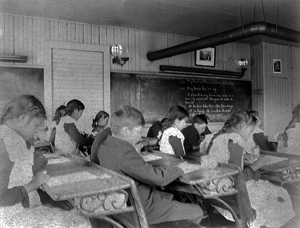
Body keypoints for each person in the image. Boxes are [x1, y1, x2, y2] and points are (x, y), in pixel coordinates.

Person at [96, 105, 203, 225]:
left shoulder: (105, 146)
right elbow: (160, 179)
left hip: (122, 206)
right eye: (137, 131)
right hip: (143, 210)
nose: (139, 136)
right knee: (197, 211)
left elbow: (139, 169)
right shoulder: (125, 152)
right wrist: (180, 168)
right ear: (125, 130)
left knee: (172, 197)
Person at [0, 95, 91, 227]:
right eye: (36, 124)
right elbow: (1, 199)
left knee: (76, 212)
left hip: (21, 206)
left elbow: (22, 174)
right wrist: (34, 184)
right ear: (22, 118)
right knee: (81, 220)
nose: (38, 129)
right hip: (10, 218)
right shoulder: (5, 145)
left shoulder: (13, 138)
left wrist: (48, 200)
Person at [200, 110, 295, 228]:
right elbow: (237, 179)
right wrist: (257, 164)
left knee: (268, 188)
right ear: (242, 126)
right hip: (232, 199)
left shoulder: (215, 136)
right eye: (250, 131)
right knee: (280, 194)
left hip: (213, 194)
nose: (250, 135)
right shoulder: (235, 142)